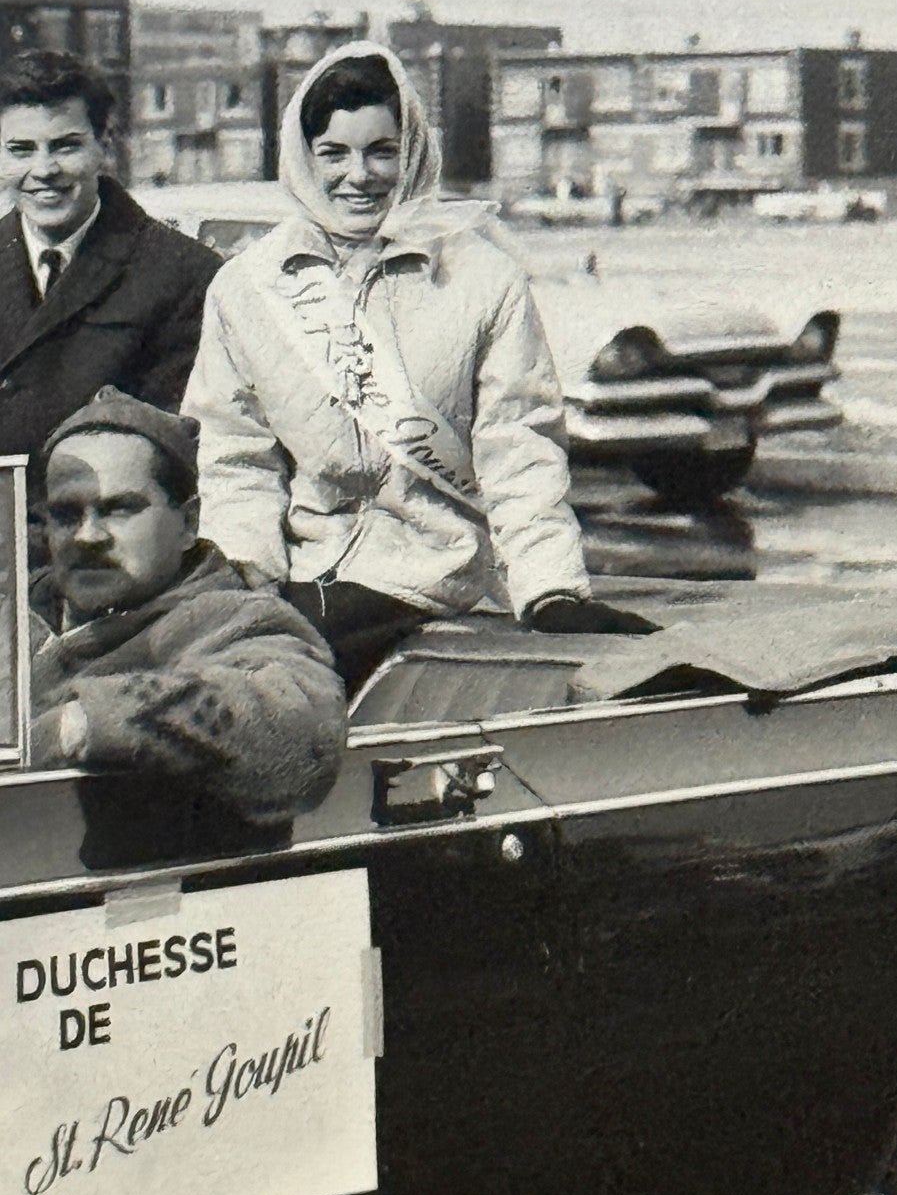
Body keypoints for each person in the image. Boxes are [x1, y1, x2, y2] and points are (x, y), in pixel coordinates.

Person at [182, 42, 646, 688]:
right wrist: (245, 569)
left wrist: (549, 589)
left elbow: (520, 448)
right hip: (301, 567)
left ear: (413, 151)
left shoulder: (483, 280)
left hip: (432, 569)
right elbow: (235, 456)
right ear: (302, 156)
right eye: (334, 154)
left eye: (381, 151)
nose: (359, 175)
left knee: (273, 667)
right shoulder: (247, 287)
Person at [30, 388, 345, 867]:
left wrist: (79, 725)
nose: (88, 535)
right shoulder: (21, 614)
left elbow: (302, 727)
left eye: (120, 508)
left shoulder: (234, 619)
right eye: (66, 514)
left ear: (188, 522)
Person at [0, 50, 222, 460]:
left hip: (95, 516)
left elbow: (173, 447)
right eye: (21, 149)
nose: (44, 169)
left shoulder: (185, 274)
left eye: (66, 146)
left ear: (105, 147)